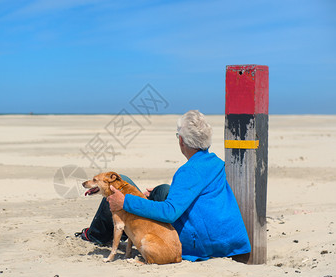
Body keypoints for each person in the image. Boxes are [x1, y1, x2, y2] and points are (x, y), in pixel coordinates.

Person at [76, 110, 251, 261]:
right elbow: (196, 193)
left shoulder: (189, 171)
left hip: (203, 243)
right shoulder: (214, 163)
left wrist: (125, 202)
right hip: (225, 238)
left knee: (121, 184)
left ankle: (95, 234)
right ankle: (118, 231)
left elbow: (170, 213)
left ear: (181, 141)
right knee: (162, 191)